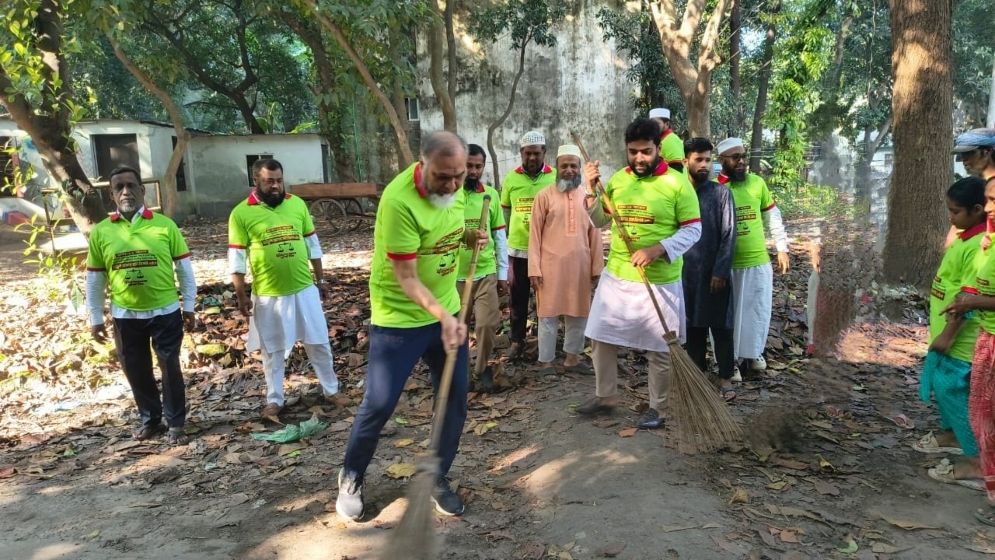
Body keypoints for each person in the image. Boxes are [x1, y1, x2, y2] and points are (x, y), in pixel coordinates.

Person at [336, 131, 486, 521]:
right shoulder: (399, 202)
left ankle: (437, 475)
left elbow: (443, 236)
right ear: (422, 165)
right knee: (380, 403)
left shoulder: (455, 191)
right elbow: (407, 277)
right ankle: (351, 475)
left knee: (454, 398)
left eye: (459, 176)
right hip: (399, 318)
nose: (453, 185)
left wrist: (469, 236)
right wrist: (445, 320)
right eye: (444, 177)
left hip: (445, 309)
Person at [577, 118, 702, 430]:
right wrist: (591, 191)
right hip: (617, 274)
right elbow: (599, 222)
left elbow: (694, 229)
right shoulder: (618, 180)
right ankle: (605, 397)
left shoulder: (677, 183)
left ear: (659, 148)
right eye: (633, 152)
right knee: (599, 337)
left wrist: (657, 249)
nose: (639, 158)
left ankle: (658, 409)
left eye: (646, 152)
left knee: (660, 349)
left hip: (660, 281)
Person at [86, 166, 197, 445]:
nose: (126, 192)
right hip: (125, 315)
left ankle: (176, 423)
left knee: (170, 367)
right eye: (119, 187)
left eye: (131, 186)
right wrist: (95, 317)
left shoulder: (164, 225)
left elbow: (184, 269)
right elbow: (95, 279)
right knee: (136, 369)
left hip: (166, 311)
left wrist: (190, 306)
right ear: (111, 195)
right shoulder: (101, 232)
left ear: (142, 190)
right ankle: (150, 420)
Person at [229, 158, 345, 421]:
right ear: (255, 181)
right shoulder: (241, 213)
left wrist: (321, 280)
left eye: (279, 180)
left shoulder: (297, 204)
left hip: (305, 290)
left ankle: (331, 390)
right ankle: (274, 399)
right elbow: (236, 259)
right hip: (269, 295)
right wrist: (241, 294)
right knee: (273, 350)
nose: (276, 186)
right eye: (269, 181)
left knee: (319, 342)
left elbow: (313, 245)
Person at [914, 177, 986, 490]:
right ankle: (953, 432)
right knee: (944, 389)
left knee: (951, 389)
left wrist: (950, 334)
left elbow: (969, 297)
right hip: (945, 331)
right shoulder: (964, 236)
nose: (950, 218)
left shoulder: (979, 248)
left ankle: (977, 458)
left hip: (961, 339)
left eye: (955, 212)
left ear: (977, 210)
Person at [943, 176, 995, 526]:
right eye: (988, 199)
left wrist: (974, 301)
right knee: (983, 419)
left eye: (994, 201)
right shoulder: (987, 239)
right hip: (987, 339)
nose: (989, 207)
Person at [716, 137, 790, 375]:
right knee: (730, 315)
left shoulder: (757, 183)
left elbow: (773, 216)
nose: (741, 162)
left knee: (756, 311)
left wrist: (782, 247)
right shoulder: (716, 188)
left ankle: (752, 353)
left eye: (743, 156)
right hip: (728, 266)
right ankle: (730, 361)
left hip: (758, 263)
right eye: (735, 157)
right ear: (722, 160)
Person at [528, 144, 604, 373]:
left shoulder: (589, 197)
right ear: (556, 168)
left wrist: (597, 267)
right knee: (547, 315)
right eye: (564, 166)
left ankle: (572, 358)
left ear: (580, 168)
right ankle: (546, 361)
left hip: (580, 266)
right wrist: (534, 268)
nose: (569, 170)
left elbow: (596, 234)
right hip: (549, 267)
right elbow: (534, 235)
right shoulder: (544, 196)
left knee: (578, 313)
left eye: (573, 165)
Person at [681, 138, 737, 398]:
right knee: (693, 324)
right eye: (698, 159)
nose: (704, 165)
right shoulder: (679, 192)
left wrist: (721, 271)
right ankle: (697, 375)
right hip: (687, 272)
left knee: (721, 324)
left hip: (715, 272)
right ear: (686, 161)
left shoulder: (721, 193)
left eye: (708, 159)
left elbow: (729, 234)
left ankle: (725, 375)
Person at [500, 130, 556, 360]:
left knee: (548, 298)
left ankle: (548, 343)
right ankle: (517, 341)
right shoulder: (511, 179)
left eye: (536, 153)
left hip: (547, 251)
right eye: (527, 153)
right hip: (518, 250)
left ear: (544, 152)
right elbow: (505, 211)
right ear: (521, 153)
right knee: (518, 298)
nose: (532, 158)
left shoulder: (555, 178)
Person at [458, 144, 508, 391]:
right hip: (454, 276)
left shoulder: (491, 195)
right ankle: (460, 370)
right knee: (458, 328)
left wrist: (502, 274)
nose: (473, 171)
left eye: (478, 166)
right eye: (468, 166)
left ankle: (481, 368)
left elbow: (500, 237)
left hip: (485, 271)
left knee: (487, 324)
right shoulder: (451, 196)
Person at [648, 107, 685, 173]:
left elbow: (677, 168)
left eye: (656, 123)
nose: (652, 126)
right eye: (651, 123)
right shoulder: (659, 139)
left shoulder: (671, 139)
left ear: (667, 124)